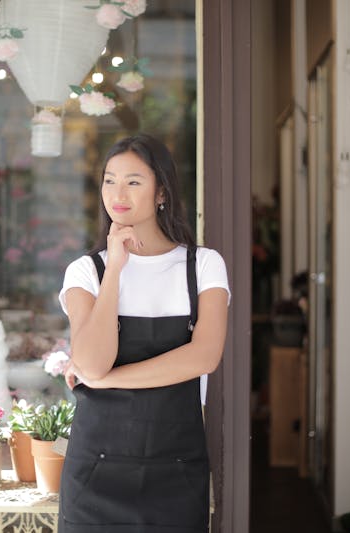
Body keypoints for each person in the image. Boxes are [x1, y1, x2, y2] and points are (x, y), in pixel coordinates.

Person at [57, 134, 230, 532]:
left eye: (134, 181)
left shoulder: (202, 266)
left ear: (161, 192)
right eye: (109, 179)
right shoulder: (87, 272)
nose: (118, 192)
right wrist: (116, 268)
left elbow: (204, 357)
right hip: (94, 476)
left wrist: (106, 380)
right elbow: (91, 360)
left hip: (176, 472)